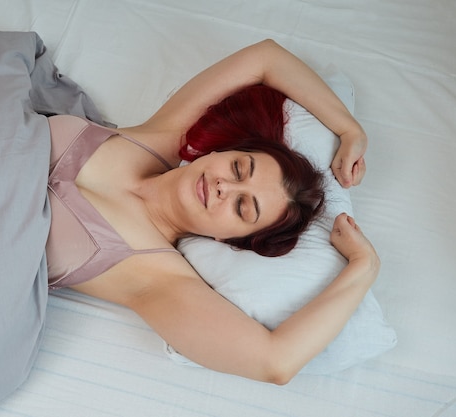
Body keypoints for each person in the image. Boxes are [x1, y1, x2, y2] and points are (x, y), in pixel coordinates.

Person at [45, 39, 378, 385]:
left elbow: (276, 361)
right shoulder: (164, 134)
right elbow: (265, 57)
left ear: (229, 239)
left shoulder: (158, 278)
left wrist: (364, 267)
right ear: (219, 152)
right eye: (237, 168)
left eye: (241, 206)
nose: (224, 188)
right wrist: (349, 130)